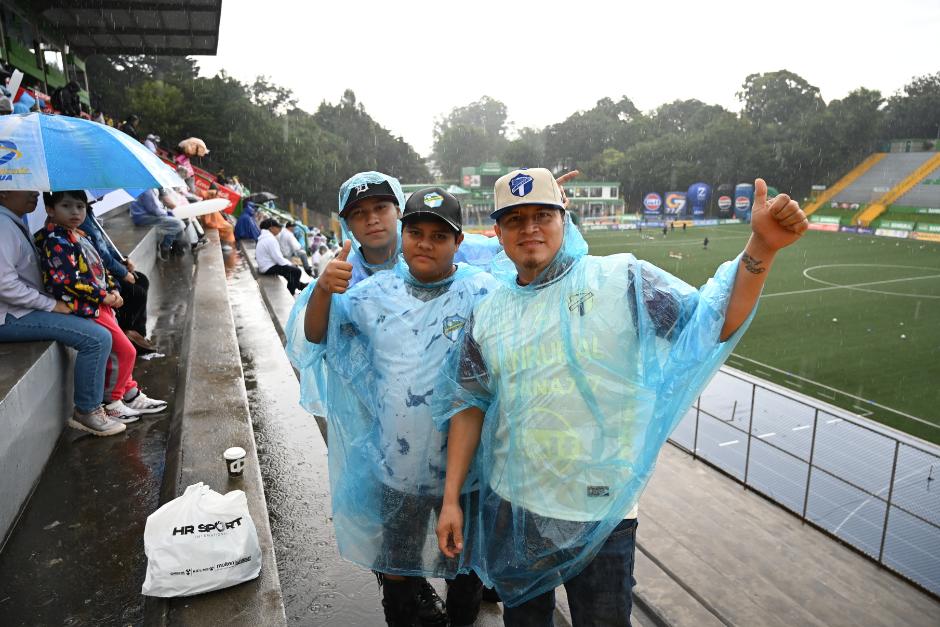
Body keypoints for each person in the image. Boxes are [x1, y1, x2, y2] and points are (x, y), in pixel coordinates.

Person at [434, 168, 808, 623]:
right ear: (498, 231)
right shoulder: (489, 314)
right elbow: (469, 404)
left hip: (603, 513)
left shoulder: (622, 280)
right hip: (516, 509)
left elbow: (712, 323)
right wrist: (452, 498)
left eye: (542, 215)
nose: (529, 228)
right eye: (515, 219)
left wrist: (762, 248)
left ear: (564, 217)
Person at [288, 188, 498, 626]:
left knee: (465, 572)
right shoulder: (373, 294)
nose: (426, 244)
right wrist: (323, 290)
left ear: (459, 242)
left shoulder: (483, 293)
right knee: (398, 567)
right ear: (403, 234)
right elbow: (316, 335)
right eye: (416, 232)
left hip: (467, 474)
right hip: (397, 469)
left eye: (440, 236)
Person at [0, 190, 124, 436]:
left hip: (22, 308)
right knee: (98, 338)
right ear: (3, 192)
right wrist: (50, 305)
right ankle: (87, 410)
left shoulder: (13, 222)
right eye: (26, 187)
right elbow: (4, 284)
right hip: (10, 316)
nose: (35, 192)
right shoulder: (3, 226)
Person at [36, 191, 168, 423]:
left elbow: (99, 269)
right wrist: (103, 295)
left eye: (80, 206)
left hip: (100, 303)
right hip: (86, 307)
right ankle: (112, 402)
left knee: (122, 350)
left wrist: (113, 289)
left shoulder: (80, 234)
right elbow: (67, 281)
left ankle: (129, 392)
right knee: (125, 351)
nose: (75, 212)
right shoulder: (56, 241)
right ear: (50, 209)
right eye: (66, 206)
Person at [79, 207, 157, 353]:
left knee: (142, 280)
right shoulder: (80, 221)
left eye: (79, 207)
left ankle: (137, 333)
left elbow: (106, 246)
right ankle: (126, 331)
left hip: (105, 269)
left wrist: (123, 259)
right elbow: (101, 255)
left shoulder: (89, 213)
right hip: (96, 274)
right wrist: (123, 272)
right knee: (135, 292)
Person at [130, 188, 186, 260]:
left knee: (177, 223)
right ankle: (165, 246)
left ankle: (174, 247)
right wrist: (166, 213)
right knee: (177, 223)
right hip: (144, 217)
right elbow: (154, 209)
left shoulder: (143, 189)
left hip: (141, 216)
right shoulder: (146, 191)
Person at [256, 219, 307, 295]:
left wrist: (288, 265)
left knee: (289, 272)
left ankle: (300, 286)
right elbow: (278, 258)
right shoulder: (270, 239)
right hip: (267, 267)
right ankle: (292, 291)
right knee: (297, 271)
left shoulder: (265, 237)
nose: (279, 229)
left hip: (264, 266)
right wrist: (290, 264)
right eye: (277, 227)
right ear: (271, 228)